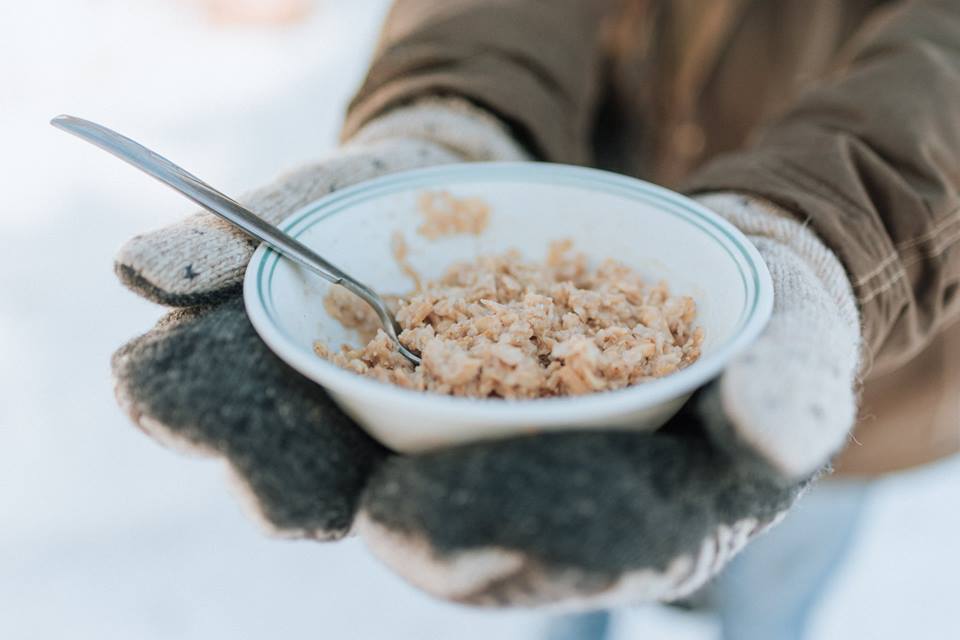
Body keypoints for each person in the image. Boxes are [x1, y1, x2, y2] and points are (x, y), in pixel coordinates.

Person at [109, 0, 960, 635]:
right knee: (541, 554)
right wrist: (454, 106)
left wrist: (838, 227)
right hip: (579, 169)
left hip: (853, 346)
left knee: (771, 577)